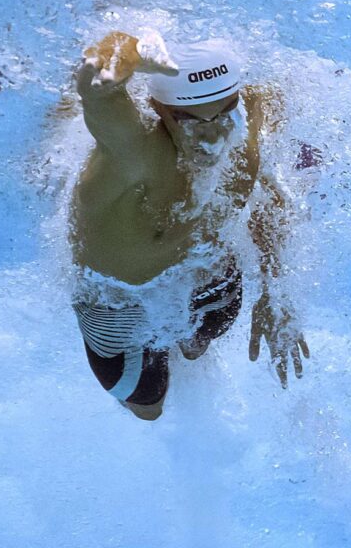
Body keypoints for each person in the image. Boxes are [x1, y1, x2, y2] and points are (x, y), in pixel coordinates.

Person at [71, 30, 310, 420]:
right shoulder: (134, 155)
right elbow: (96, 88)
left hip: (206, 272)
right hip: (118, 303)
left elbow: (269, 194)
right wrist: (124, 51)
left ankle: (188, 347)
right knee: (149, 407)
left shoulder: (251, 116)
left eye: (224, 114)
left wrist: (275, 290)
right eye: (191, 122)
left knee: (200, 343)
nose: (213, 136)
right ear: (157, 110)